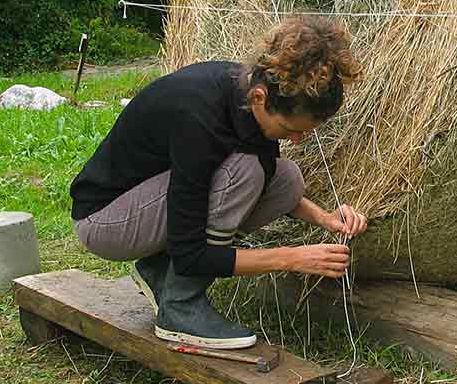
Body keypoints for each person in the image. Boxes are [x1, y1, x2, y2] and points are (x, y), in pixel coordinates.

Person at [69, 17, 367, 350]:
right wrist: (292, 258)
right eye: (289, 129)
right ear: (259, 97)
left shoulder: (249, 97)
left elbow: (266, 183)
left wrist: (325, 218)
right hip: (105, 221)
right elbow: (194, 255)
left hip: (149, 208)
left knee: (286, 179)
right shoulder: (199, 116)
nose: (296, 140)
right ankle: (180, 308)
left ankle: (158, 270)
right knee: (246, 172)